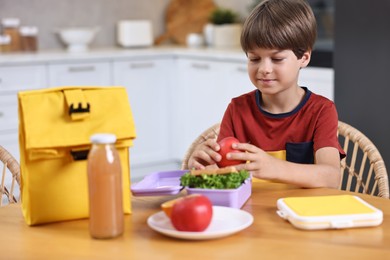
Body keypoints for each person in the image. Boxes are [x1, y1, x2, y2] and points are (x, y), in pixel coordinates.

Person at [187, 0, 345, 189]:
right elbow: (222, 177)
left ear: (304, 58)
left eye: (277, 59)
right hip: (250, 213)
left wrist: (275, 168)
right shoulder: (237, 109)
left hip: (300, 213)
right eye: (254, 58)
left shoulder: (321, 111)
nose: (264, 69)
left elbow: (332, 178)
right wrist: (202, 166)